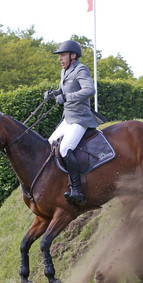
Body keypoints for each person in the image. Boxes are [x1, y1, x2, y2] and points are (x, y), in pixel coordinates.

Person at [46, 39, 98, 204]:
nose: (60, 59)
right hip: (68, 117)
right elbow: (63, 90)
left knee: (65, 147)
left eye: (63, 55)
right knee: (50, 143)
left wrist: (66, 97)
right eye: (59, 56)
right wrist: (54, 94)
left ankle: (77, 189)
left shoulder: (81, 69)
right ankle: (61, 183)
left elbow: (90, 90)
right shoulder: (65, 72)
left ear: (73, 55)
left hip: (80, 117)